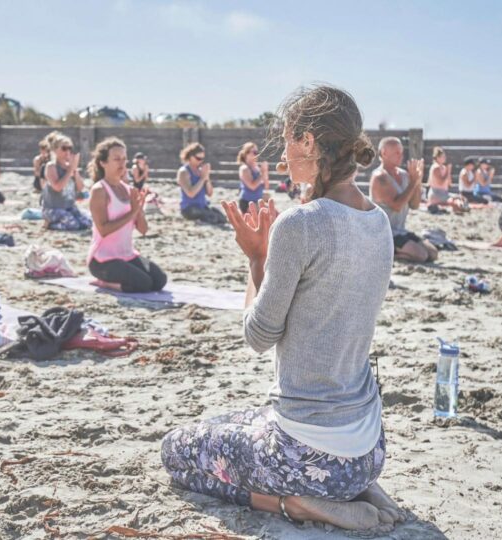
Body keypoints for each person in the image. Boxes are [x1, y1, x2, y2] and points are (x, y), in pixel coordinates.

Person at [162, 85, 406, 532]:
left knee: (176, 451)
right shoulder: (379, 223)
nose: (282, 156)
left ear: (309, 142)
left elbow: (258, 336)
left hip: (309, 452)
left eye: (289, 139)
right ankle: (353, 487)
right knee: (236, 420)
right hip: (368, 448)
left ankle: (300, 504)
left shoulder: (301, 223)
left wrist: (255, 258)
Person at [86, 138, 166, 293]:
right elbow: (103, 229)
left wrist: (139, 211)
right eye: (116, 159)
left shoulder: (129, 190)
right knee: (143, 284)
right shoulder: (99, 190)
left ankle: (115, 280)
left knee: (159, 280)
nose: (122, 164)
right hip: (102, 260)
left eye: (124, 159)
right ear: (103, 163)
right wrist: (132, 213)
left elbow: (143, 230)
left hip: (127, 255)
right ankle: (105, 283)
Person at [370, 137, 438, 263]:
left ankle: (398, 253)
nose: (401, 156)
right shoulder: (380, 177)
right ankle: (388, 254)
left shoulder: (404, 175)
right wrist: (413, 182)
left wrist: (418, 181)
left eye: (401, 152)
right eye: (396, 152)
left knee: (433, 253)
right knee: (421, 256)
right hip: (385, 233)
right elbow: (397, 206)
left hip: (400, 231)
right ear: (384, 153)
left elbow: (414, 205)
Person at [42, 135, 92, 231]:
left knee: (87, 223)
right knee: (73, 225)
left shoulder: (70, 167)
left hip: (69, 207)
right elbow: (57, 187)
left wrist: (75, 170)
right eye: (64, 148)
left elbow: (81, 188)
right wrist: (69, 171)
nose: (68, 152)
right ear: (55, 150)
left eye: (70, 148)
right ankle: (49, 225)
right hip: (53, 208)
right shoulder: (51, 166)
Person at [177, 143, 226, 224]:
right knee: (211, 218)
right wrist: (202, 178)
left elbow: (210, 193)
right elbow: (190, 193)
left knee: (221, 219)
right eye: (198, 158)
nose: (200, 161)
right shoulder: (184, 172)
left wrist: (206, 178)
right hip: (189, 208)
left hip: (202, 206)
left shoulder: (201, 171)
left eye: (202, 159)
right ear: (190, 156)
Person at [426, 147, 466, 213]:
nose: (445, 158)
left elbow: (449, 184)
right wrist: (448, 171)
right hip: (436, 193)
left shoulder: (444, 168)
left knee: (460, 198)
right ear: (437, 158)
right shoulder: (435, 167)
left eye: (444, 156)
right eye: (442, 156)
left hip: (444, 192)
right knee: (454, 202)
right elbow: (440, 182)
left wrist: (448, 172)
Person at [237, 142, 270, 214]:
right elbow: (252, 186)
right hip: (247, 203)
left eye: (257, 152)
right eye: (254, 152)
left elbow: (266, 186)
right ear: (246, 153)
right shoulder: (244, 168)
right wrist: (263, 173)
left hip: (257, 201)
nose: (257, 154)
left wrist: (265, 173)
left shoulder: (257, 168)